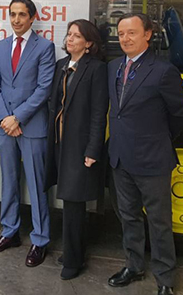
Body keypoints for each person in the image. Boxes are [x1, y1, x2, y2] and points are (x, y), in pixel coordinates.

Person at [107, 13, 183, 295]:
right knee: (128, 216)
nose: (125, 39)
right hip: (120, 157)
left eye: (131, 33)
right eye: (120, 34)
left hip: (153, 159)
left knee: (159, 222)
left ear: (147, 35)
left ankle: (165, 278)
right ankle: (133, 265)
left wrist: (157, 141)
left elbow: (179, 115)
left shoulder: (163, 71)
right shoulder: (114, 67)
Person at [0, 0, 55, 267]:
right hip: (5, 127)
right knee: (9, 181)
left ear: (32, 17)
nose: (16, 20)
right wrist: (5, 118)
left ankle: (39, 240)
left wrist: (18, 118)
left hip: (32, 126)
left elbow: (43, 89)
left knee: (37, 186)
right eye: (12, 14)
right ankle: (10, 231)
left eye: (22, 15)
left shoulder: (45, 47)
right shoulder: (1, 47)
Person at [45, 20, 108, 280]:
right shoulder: (62, 66)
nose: (70, 39)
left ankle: (73, 260)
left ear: (89, 43)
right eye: (69, 34)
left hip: (80, 146)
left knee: (73, 201)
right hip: (60, 143)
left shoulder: (96, 69)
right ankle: (74, 250)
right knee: (68, 198)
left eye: (77, 36)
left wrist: (93, 149)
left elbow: (98, 112)